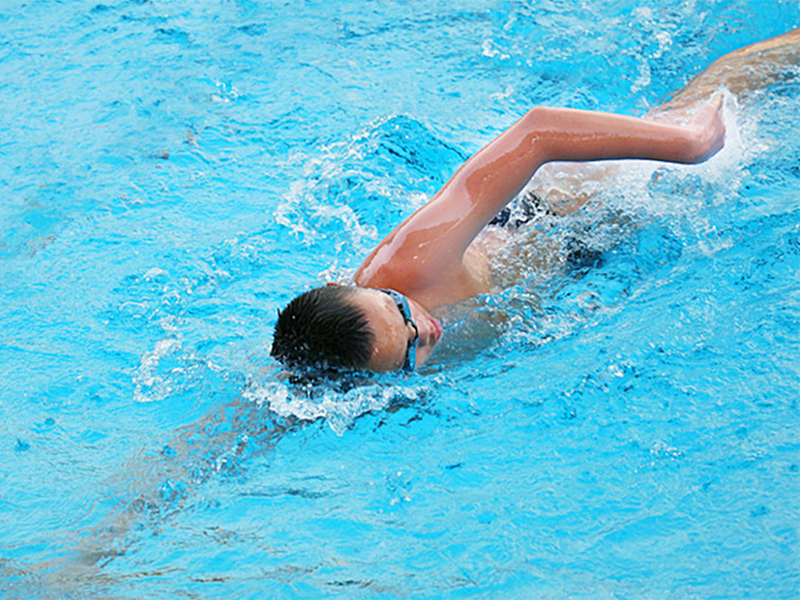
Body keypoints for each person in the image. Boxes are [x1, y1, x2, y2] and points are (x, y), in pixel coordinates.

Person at [272, 29, 800, 374]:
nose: (426, 329)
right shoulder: (333, 365)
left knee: (702, 116)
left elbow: (538, 132)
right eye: (411, 352)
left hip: (552, 214)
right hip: (572, 265)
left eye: (399, 309)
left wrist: (687, 148)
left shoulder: (411, 261)